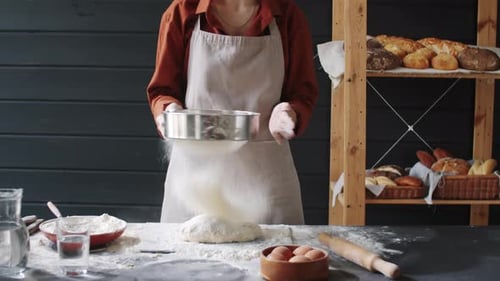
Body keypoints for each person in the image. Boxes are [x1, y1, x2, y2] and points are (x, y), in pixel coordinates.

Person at [147, 0, 318, 225]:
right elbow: (163, 90)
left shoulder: (287, 16)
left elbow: (302, 91)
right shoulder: (182, 12)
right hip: (196, 180)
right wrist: (170, 113)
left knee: (274, 256)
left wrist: (289, 112)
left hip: (266, 177)